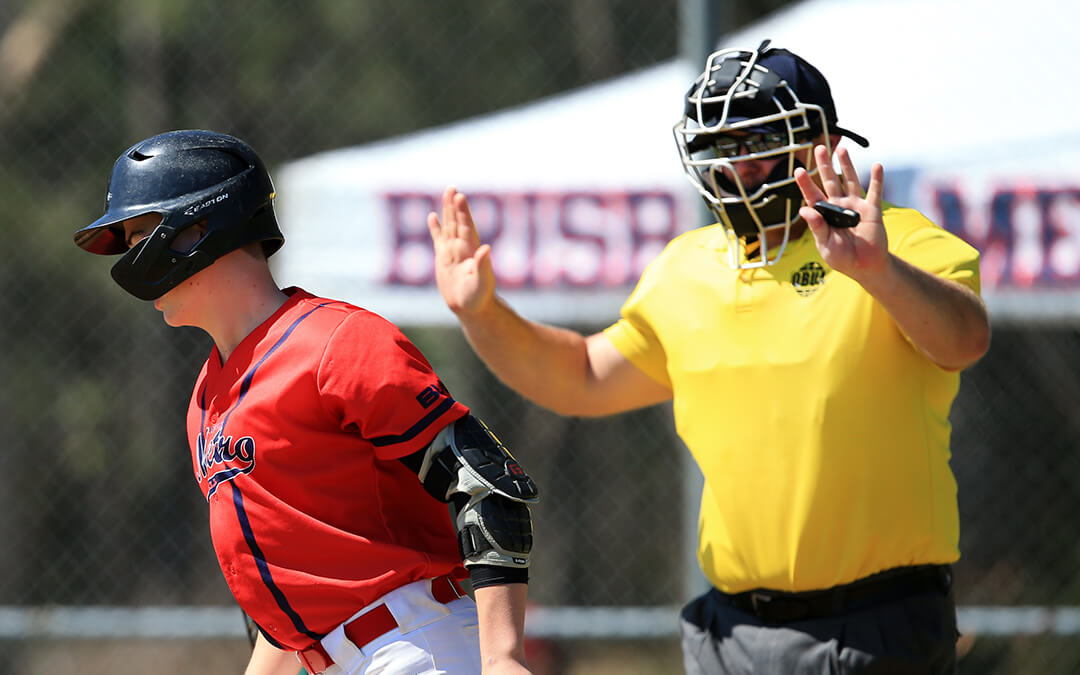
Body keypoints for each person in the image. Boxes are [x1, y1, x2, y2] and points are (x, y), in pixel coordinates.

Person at [428, 41, 990, 674]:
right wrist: (481, 314)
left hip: (876, 627)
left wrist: (880, 272)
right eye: (723, 147)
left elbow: (963, 340)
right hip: (729, 630)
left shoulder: (901, 239)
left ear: (820, 142)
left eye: (756, 142)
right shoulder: (686, 267)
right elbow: (582, 378)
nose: (739, 164)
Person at [74, 129, 540, 675]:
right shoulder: (204, 398)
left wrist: (502, 657)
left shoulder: (336, 343)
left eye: (137, 234)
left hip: (418, 646)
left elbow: (483, 483)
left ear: (197, 228)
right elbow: (288, 594)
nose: (130, 257)